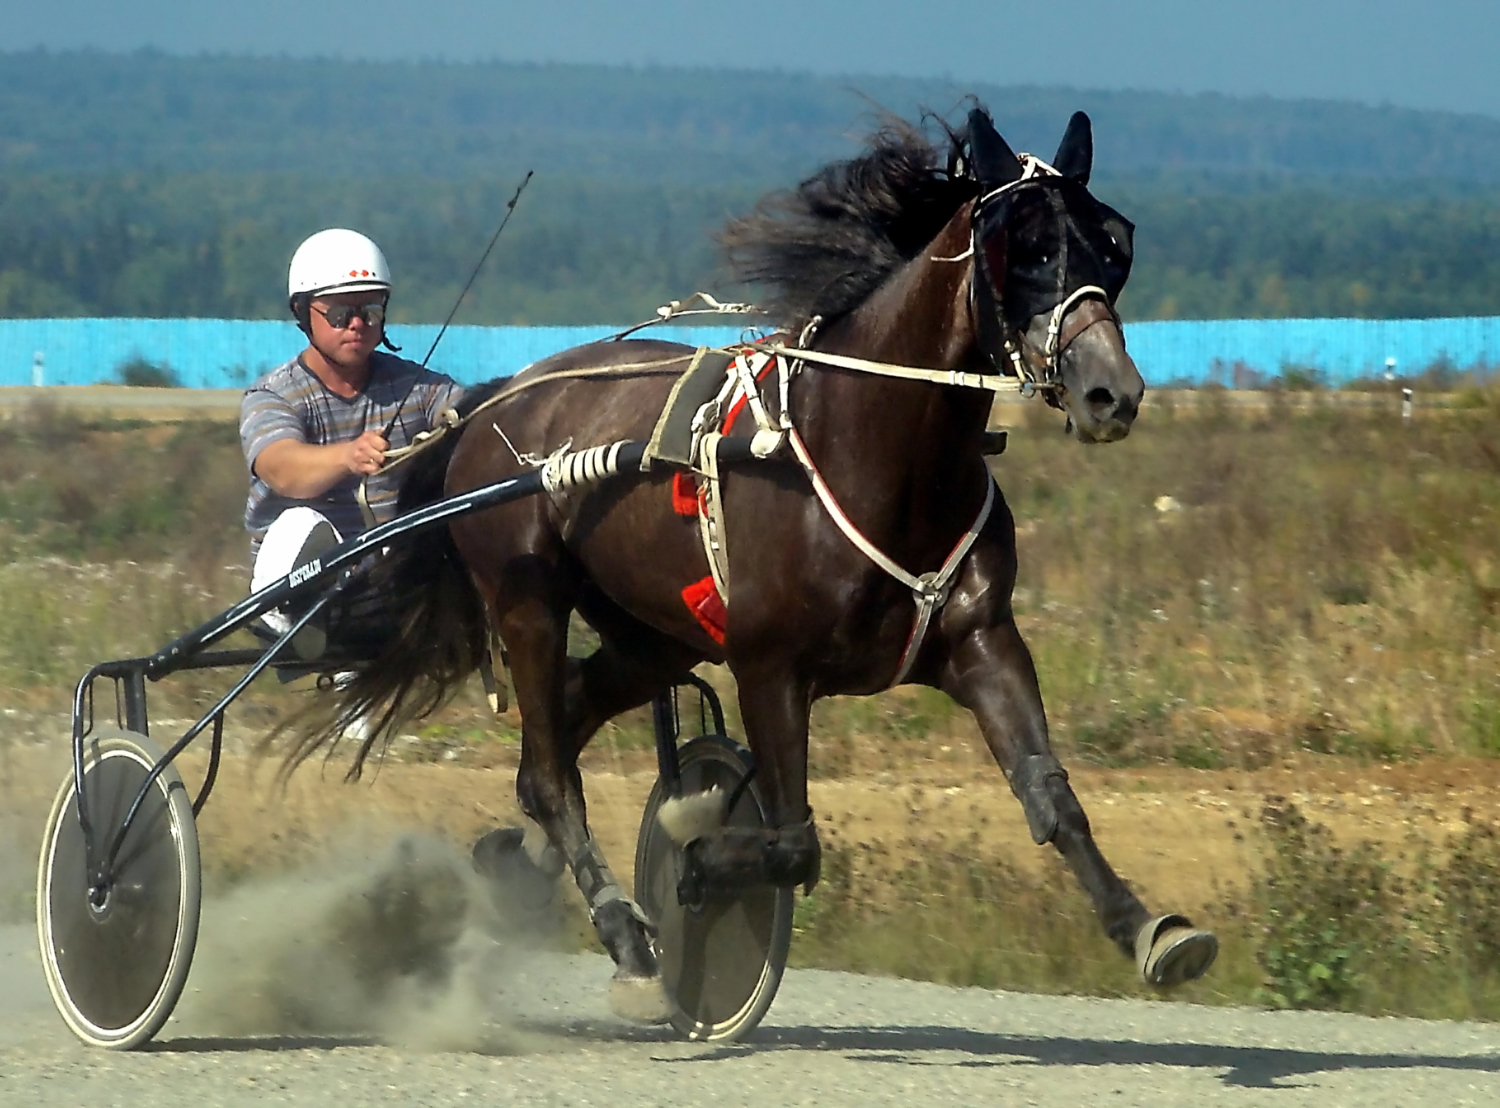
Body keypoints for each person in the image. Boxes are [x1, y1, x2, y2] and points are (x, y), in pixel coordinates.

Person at [240, 228, 465, 655]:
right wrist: (349, 456)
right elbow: (280, 468)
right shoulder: (271, 396)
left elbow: (472, 418)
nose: (358, 324)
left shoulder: (418, 388)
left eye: (371, 310)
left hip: (395, 579)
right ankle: (296, 628)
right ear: (304, 314)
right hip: (307, 587)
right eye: (341, 313)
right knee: (299, 522)